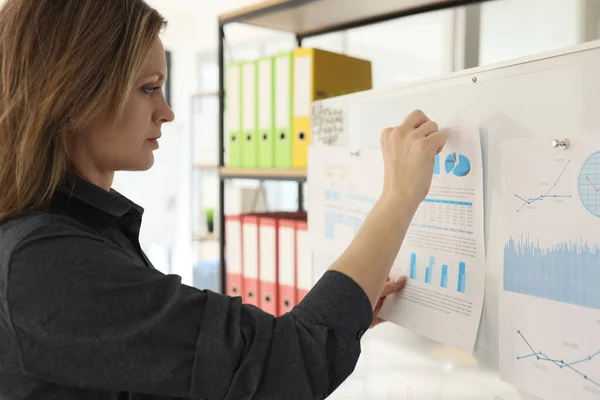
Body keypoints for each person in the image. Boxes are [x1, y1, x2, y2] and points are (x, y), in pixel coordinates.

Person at [0, 0, 446, 399]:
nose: (168, 112)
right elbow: (284, 370)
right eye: (149, 88)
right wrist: (400, 194)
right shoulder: (41, 262)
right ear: (74, 92)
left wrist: (335, 320)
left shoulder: (79, 230)